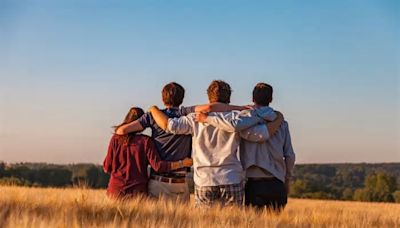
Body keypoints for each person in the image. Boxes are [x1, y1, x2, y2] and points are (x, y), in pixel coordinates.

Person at [149, 80, 283, 207]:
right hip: (231, 178)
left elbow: (169, 126)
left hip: (204, 179)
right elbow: (260, 134)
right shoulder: (238, 117)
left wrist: (153, 109)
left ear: (209, 97)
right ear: (229, 98)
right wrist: (278, 119)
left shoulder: (194, 118)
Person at [115, 82, 240, 202]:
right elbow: (209, 107)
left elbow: (121, 131)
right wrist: (240, 108)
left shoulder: (152, 116)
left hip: (158, 182)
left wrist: (144, 130)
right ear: (182, 98)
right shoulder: (185, 113)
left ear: (162, 97)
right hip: (180, 183)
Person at [198, 83, 296, 212]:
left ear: (253, 99)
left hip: (253, 184)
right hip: (276, 182)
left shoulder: (243, 120)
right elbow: (289, 156)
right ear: (271, 99)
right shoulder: (281, 123)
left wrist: (207, 118)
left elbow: (241, 129)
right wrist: (286, 179)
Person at [103, 107, 193, 200]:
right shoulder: (146, 141)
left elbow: (107, 167)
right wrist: (182, 163)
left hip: (115, 191)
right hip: (137, 193)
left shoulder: (115, 139)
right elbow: (158, 166)